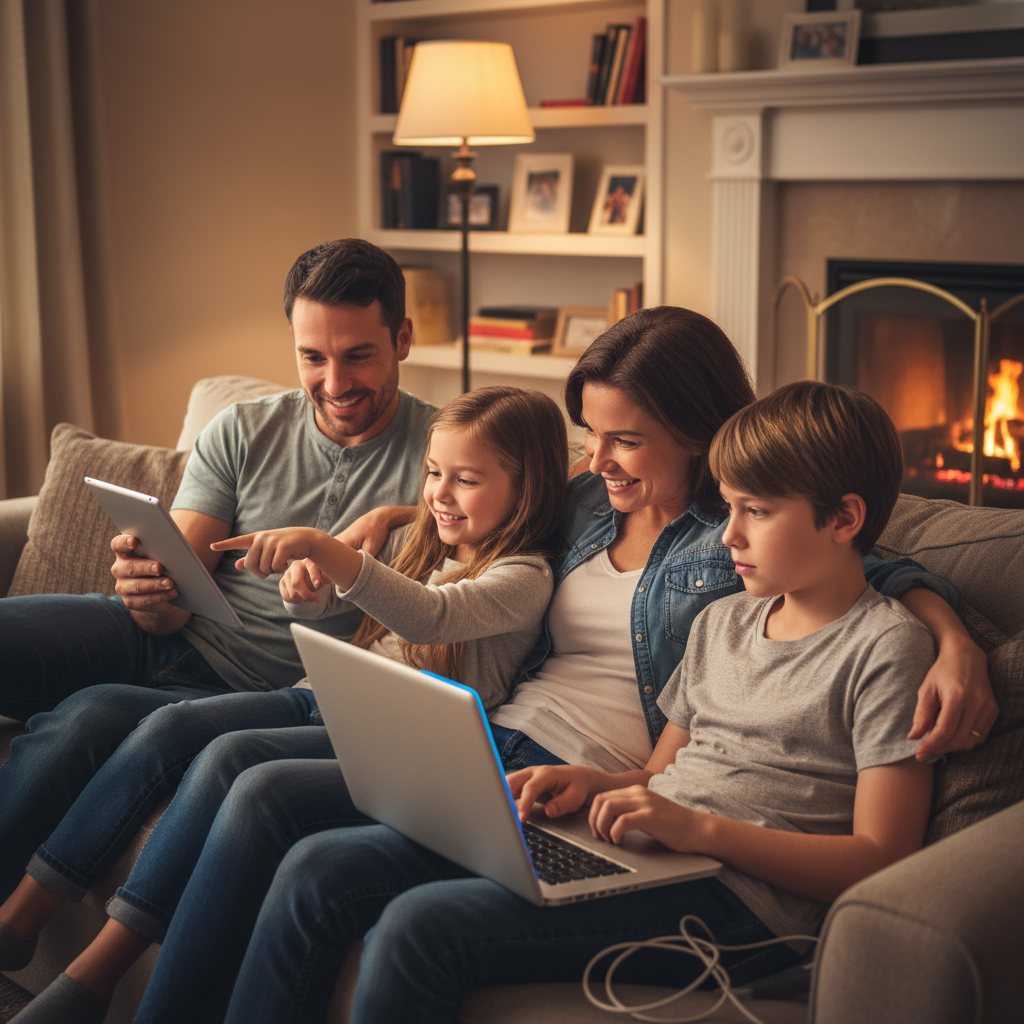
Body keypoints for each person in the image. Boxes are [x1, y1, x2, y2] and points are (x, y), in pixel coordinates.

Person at [106, 307, 987, 1024]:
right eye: (590, 435)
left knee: (382, 896)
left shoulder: (752, 559)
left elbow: (866, 568)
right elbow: (484, 492)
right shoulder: (611, 517)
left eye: (623, 440)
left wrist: (952, 639)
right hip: (545, 758)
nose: (595, 461)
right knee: (281, 825)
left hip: (687, 850)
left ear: (701, 436)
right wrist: (389, 518)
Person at [6, 385, 569, 1024]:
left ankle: (91, 979)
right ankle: (22, 917)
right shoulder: (425, 538)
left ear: (526, 489)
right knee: (171, 724)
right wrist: (309, 586)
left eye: (465, 480)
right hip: (322, 693)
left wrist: (324, 547)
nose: (439, 493)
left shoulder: (524, 577)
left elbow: (429, 615)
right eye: (434, 473)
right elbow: (346, 600)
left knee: (232, 759)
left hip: (392, 729)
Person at [0, 238, 437, 963]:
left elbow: (541, 494)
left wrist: (396, 516)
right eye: (312, 357)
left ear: (403, 339)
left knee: (87, 718)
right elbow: (174, 601)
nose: (334, 382)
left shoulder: (444, 454)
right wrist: (147, 587)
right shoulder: (243, 428)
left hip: (263, 689)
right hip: (173, 637)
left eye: (358, 355)